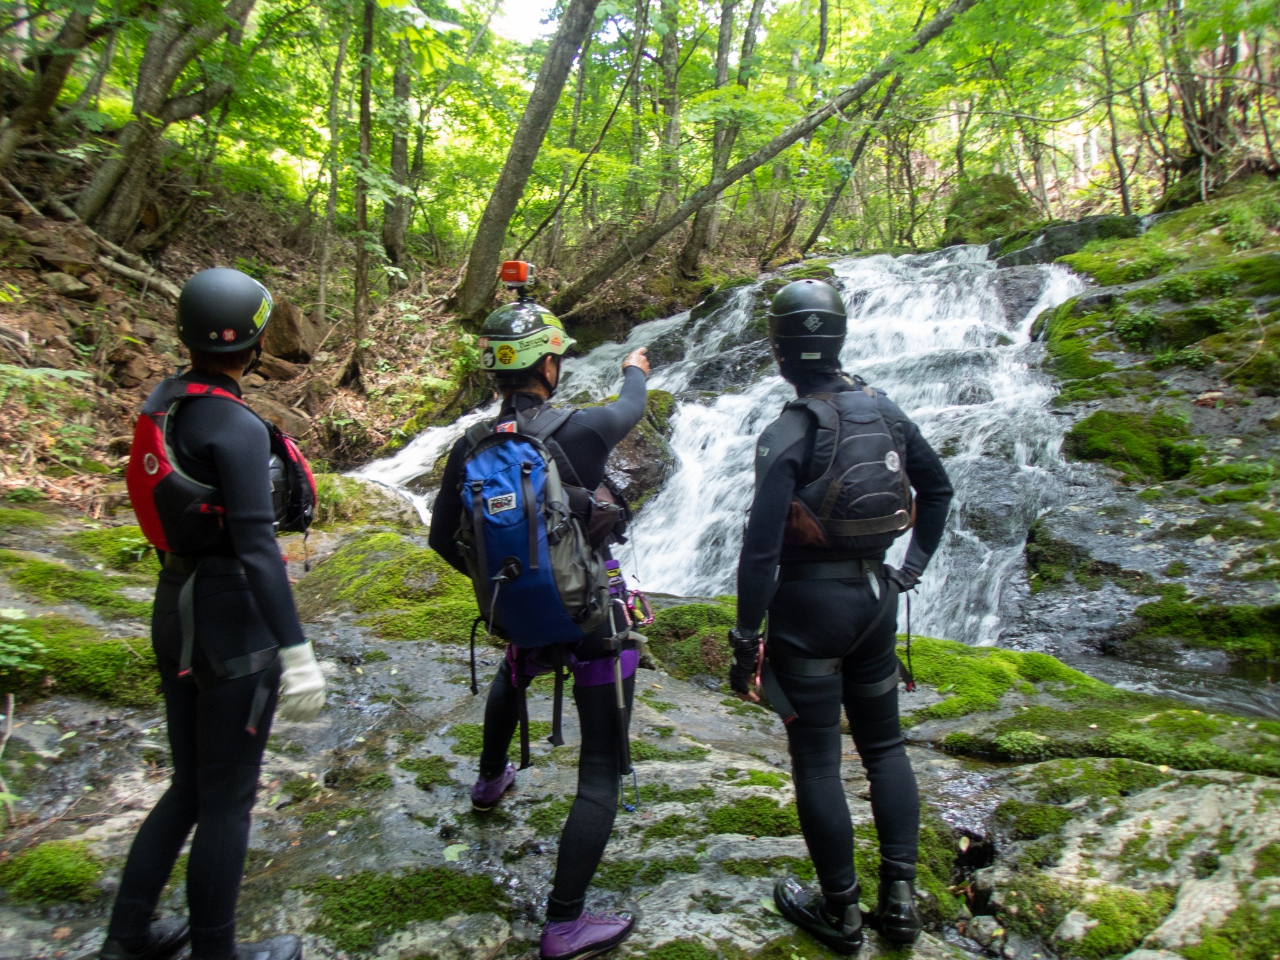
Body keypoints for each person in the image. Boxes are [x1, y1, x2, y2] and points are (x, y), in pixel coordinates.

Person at [105, 268, 326, 960]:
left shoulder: (167, 405)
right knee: (228, 798)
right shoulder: (235, 425)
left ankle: (127, 938)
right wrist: (297, 653)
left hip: (175, 602)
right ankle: (216, 953)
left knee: (191, 786)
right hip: (230, 618)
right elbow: (259, 549)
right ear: (257, 344)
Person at [727, 279, 953, 954]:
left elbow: (760, 549)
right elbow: (937, 490)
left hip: (807, 615)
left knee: (819, 762)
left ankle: (842, 912)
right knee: (885, 747)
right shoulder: (886, 412)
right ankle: (901, 902)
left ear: (780, 350)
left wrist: (746, 641)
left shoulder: (790, 430)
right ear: (839, 339)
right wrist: (908, 572)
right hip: (876, 602)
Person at [429, 293, 650, 960]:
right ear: (548, 367)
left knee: (517, 666)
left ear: (496, 375)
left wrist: (513, 578)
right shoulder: (579, 430)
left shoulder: (469, 447)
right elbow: (632, 408)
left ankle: (491, 779)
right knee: (601, 771)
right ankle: (564, 923)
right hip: (590, 617)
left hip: (517, 612)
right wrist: (636, 369)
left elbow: (443, 539)